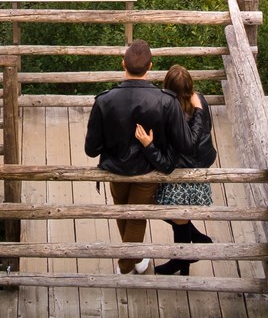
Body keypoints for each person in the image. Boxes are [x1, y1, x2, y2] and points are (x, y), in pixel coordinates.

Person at [84, 39, 187, 274]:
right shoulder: (166, 101)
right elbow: (180, 143)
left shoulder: (104, 100)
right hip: (148, 169)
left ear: (123, 64)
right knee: (136, 216)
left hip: (114, 168)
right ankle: (133, 261)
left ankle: (127, 263)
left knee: (123, 210)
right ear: (150, 66)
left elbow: (91, 149)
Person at [136, 64, 216, 275]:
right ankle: (194, 242)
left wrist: (149, 147)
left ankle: (181, 261)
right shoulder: (200, 100)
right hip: (201, 165)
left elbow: (175, 154)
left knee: (169, 212)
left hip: (183, 170)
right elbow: (208, 128)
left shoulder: (170, 111)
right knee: (180, 217)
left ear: (167, 87)